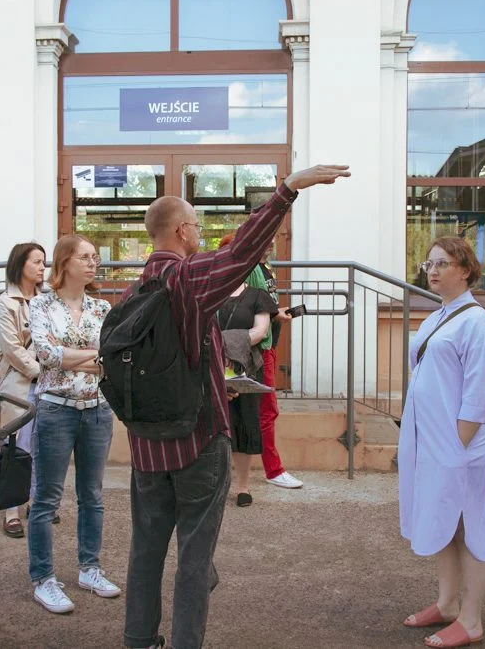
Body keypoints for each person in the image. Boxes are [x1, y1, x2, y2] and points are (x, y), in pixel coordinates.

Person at [122, 164, 349, 649]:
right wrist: (288, 190)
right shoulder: (185, 279)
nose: (200, 235)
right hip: (197, 443)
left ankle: (138, 640)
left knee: (145, 553)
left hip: (146, 447)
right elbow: (245, 251)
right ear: (182, 231)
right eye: (198, 227)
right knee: (194, 559)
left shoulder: (133, 288)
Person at [399, 236, 485, 649]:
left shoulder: (476, 321)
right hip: (434, 442)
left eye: (443, 263)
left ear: (465, 269)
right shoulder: (439, 316)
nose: (433, 270)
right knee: (445, 522)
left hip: (461, 445)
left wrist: (457, 445)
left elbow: (477, 393)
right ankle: (447, 604)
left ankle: (471, 619)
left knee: (472, 525)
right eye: (429, 263)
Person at [26, 234, 117, 614]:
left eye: (95, 257)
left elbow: (112, 356)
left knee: (92, 495)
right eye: (85, 257)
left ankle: (89, 568)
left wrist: (75, 358)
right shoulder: (41, 303)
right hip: (56, 409)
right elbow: (46, 356)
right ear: (64, 264)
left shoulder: (102, 308)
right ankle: (43, 578)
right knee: (46, 498)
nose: (93, 263)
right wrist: (91, 358)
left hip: (97, 408)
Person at [214, 239, 279, 507]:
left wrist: (222, 342)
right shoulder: (210, 294)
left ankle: (243, 486)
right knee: (215, 427)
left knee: (244, 422)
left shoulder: (257, 295)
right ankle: (216, 484)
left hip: (246, 369)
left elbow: (260, 332)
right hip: (212, 368)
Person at [0, 242, 45, 539]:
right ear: (20, 264)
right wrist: (40, 370)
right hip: (19, 380)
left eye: (43, 262)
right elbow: (11, 348)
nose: (41, 268)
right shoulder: (7, 301)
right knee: (17, 445)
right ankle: (11, 510)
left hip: (47, 381)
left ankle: (37, 503)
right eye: (36, 262)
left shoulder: (46, 301)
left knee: (42, 443)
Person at [245, 246, 303, 490]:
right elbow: (249, 305)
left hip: (266, 345)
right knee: (266, 410)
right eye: (265, 238)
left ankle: (268, 470)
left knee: (263, 410)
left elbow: (262, 304)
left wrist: (275, 313)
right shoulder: (251, 268)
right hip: (258, 348)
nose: (269, 243)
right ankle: (273, 470)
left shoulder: (264, 267)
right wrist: (273, 315)